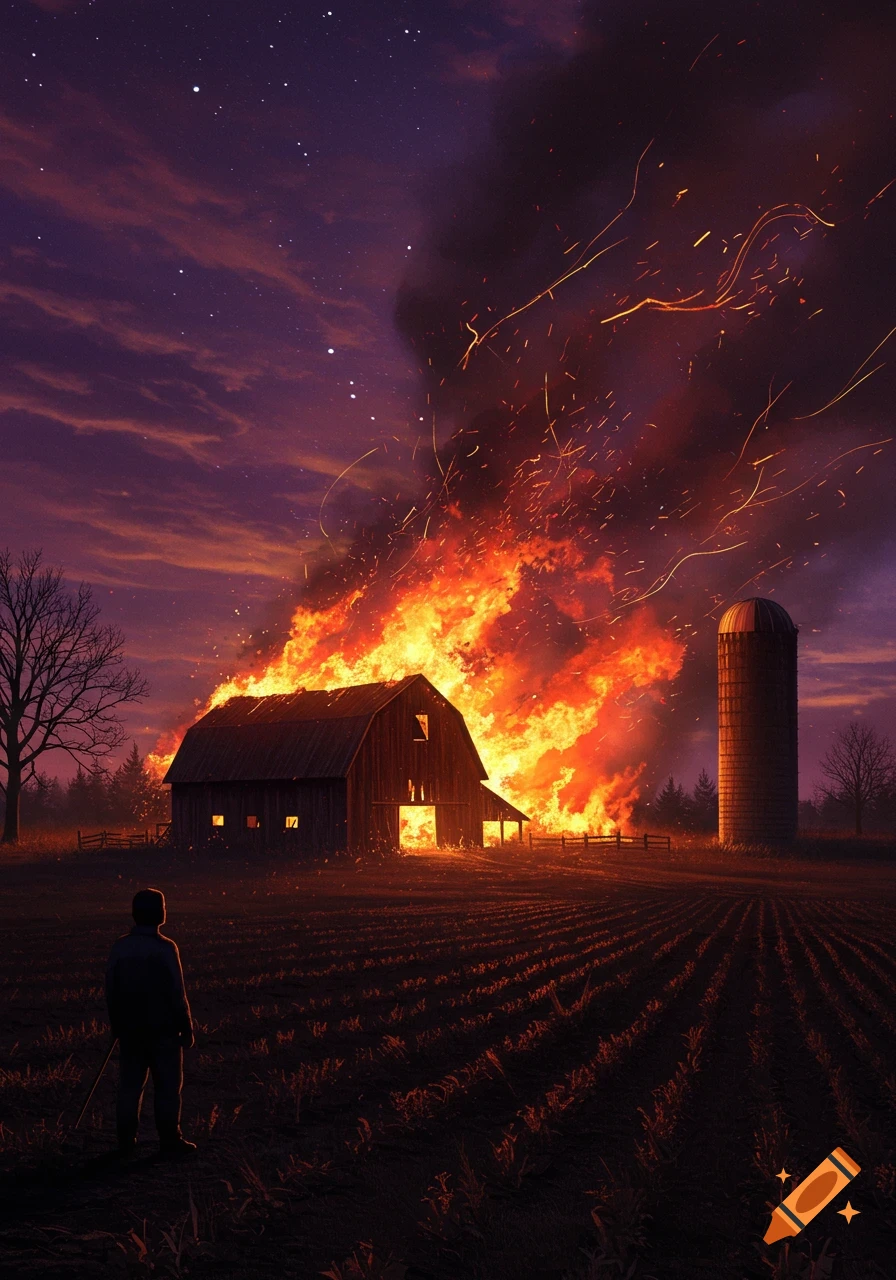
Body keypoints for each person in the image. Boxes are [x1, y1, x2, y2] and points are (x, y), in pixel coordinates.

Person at [105, 887, 196, 1157]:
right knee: (168, 1087)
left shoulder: (120, 947)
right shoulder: (166, 948)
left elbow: (110, 989)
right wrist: (187, 1027)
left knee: (130, 1087)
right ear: (161, 914)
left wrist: (116, 1025)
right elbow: (178, 993)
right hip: (164, 1031)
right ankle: (170, 1139)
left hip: (131, 1030)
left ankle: (125, 1142)